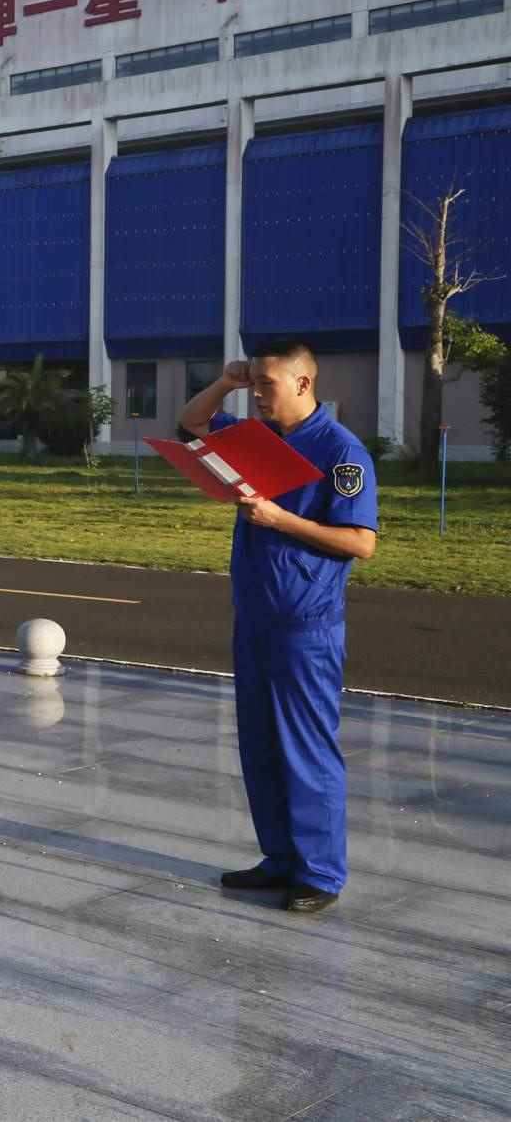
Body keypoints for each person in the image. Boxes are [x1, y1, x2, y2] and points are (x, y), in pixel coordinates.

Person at [180, 342, 378, 915]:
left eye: (267, 384)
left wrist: (280, 518)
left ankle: (320, 872)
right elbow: (192, 424)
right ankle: (280, 859)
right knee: (261, 744)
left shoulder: (341, 452)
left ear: (302, 383)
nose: (258, 395)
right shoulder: (258, 438)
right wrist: (226, 382)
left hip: (305, 624)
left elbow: (361, 542)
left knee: (305, 748)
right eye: (255, 384)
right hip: (256, 616)